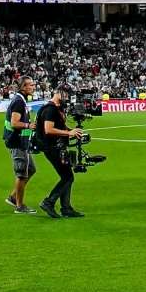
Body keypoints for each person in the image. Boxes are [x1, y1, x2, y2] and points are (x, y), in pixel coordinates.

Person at [35, 86, 84, 219]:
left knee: (67, 176)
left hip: (56, 146)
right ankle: (49, 202)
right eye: (66, 95)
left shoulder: (53, 108)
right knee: (68, 177)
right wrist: (68, 132)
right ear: (59, 93)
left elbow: (58, 127)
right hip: (52, 148)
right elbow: (48, 129)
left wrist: (72, 131)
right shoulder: (50, 109)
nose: (67, 98)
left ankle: (66, 208)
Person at [2, 76, 38, 215]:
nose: (33, 87)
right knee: (22, 174)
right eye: (31, 85)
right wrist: (29, 125)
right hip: (16, 142)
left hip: (21, 141)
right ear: (23, 87)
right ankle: (20, 206)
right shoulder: (18, 102)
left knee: (31, 169)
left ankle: (13, 197)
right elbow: (14, 123)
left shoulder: (21, 100)